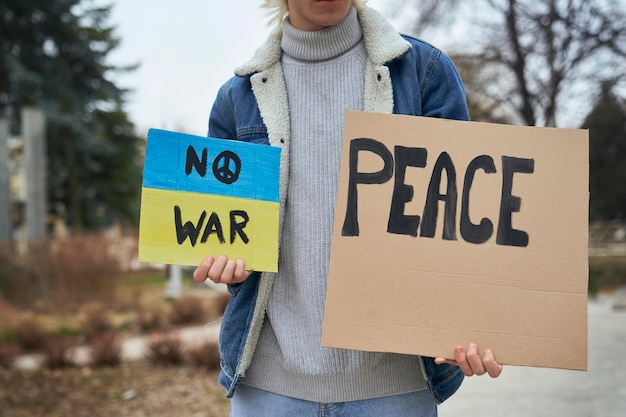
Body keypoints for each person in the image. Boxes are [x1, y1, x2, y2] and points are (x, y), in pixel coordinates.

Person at [193, 0, 503, 415]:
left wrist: (475, 323)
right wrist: (226, 263)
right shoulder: (237, 98)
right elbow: (229, 239)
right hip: (269, 391)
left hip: (395, 390)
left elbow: (458, 228)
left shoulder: (424, 73)